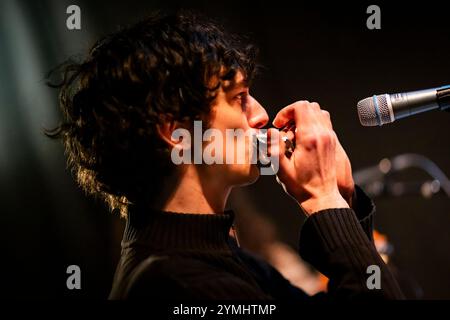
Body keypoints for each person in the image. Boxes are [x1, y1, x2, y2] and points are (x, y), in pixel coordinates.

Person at [47, 11, 404, 300]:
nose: (262, 114)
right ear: (177, 134)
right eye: (239, 98)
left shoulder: (223, 258)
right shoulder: (175, 285)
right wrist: (323, 200)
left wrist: (344, 203)